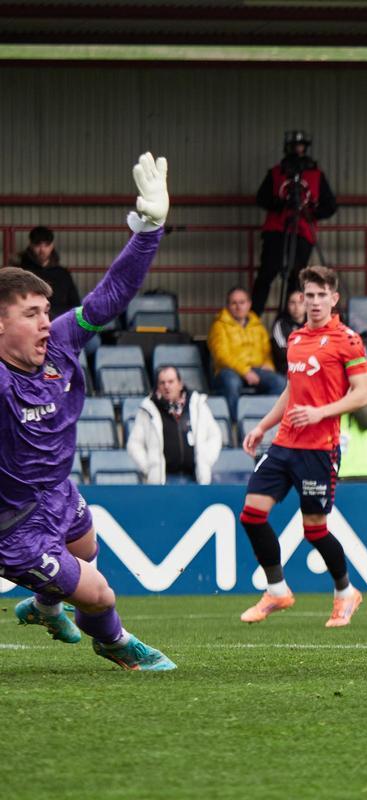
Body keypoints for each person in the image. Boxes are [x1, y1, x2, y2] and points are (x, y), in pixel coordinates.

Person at [5, 152, 174, 670]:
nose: (45, 322)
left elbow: (112, 294)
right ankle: (115, 643)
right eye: (31, 314)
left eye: (46, 311)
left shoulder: (59, 342)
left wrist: (149, 230)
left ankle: (43, 607)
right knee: (100, 595)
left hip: (57, 491)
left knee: (86, 548)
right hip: (14, 524)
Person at [238, 265, 367, 628]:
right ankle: (277, 590)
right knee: (251, 515)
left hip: (319, 449)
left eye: (320, 295)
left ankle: (345, 592)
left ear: (334, 298)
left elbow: (362, 394)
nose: (313, 302)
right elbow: (291, 390)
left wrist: (320, 413)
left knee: (314, 529)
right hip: (284, 444)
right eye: (308, 295)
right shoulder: (296, 338)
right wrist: (263, 426)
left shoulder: (348, 340)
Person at [251, 130, 337, 315]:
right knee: (267, 272)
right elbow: (261, 198)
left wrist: (311, 213)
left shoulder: (316, 175)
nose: (298, 150)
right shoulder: (276, 172)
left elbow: (330, 205)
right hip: (277, 229)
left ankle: (291, 318)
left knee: (297, 277)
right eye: (294, 146)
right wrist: (280, 204)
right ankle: (252, 317)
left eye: (301, 146)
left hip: (303, 230)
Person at [126, 365, 223, 485]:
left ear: (180, 384)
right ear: (158, 386)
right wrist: (150, 468)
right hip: (163, 481)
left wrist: (206, 461)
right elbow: (134, 444)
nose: (166, 386)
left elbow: (215, 435)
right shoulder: (148, 408)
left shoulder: (197, 404)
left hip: (195, 479)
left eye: (171, 382)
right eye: (162, 383)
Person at [209, 286, 287, 419]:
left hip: (256, 369)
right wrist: (245, 371)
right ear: (228, 306)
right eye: (234, 303)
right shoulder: (219, 326)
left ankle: (267, 420)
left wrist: (268, 364)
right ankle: (235, 424)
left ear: (249, 304)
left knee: (280, 382)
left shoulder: (257, 325)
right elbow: (221, 355)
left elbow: (266, 351)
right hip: (228, 370)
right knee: (232, 383)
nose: (238, 307)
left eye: (242, 302)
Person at [9, 226, 80, 321]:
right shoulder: (20, 273)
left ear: (52, 245)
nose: (42, 250)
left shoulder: (63, 274)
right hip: (30, 323)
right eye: (38, 245)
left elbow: (75, 304)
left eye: (46, 245)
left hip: (59, 322)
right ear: (31, 245)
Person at [271, 289, 306, 372]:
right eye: (292, 303)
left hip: (310, 368)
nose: (296, 307)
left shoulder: (314, 324)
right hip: (287, 370)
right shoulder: (280, 324)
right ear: (287, 305)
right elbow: (282, 353)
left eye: (300, 303)